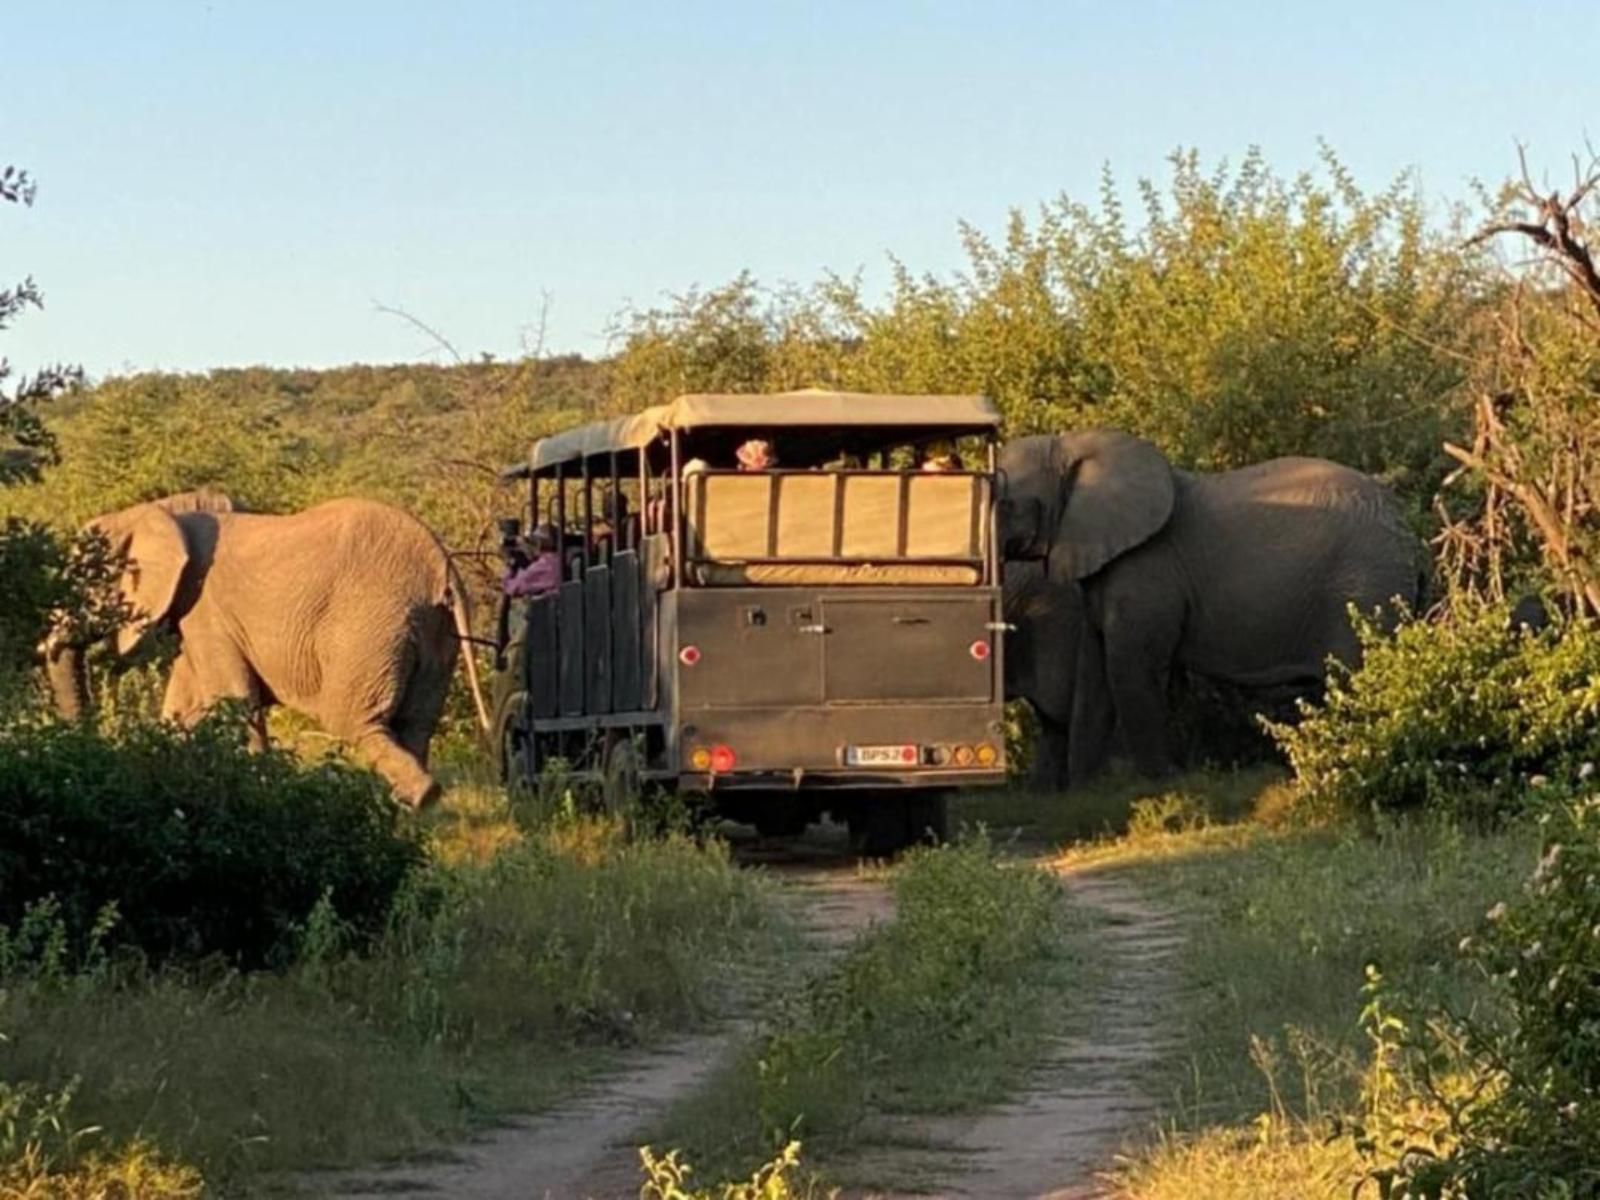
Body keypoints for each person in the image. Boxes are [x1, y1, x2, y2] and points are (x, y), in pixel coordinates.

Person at [503, 523, 561, 598]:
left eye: (533, 541)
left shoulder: (545, 564)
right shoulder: (559, 560)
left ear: (539, 543)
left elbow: (512, 587)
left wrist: (512, 566)